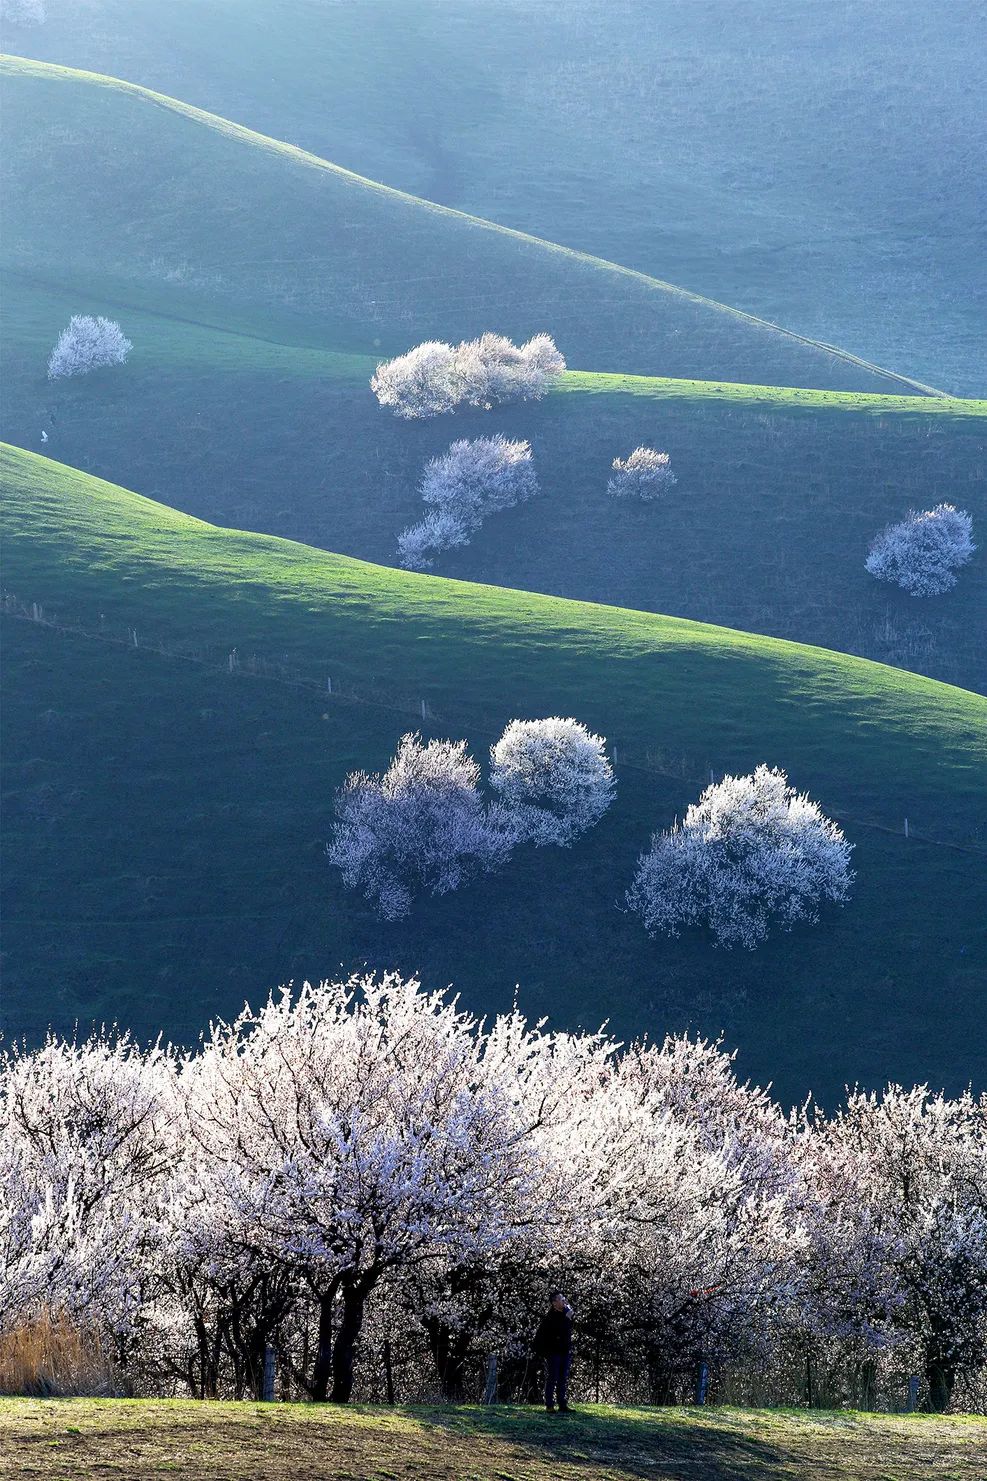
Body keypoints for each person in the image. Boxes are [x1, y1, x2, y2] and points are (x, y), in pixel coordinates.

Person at [534, 1290, 573, 1413]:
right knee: (552, 1377)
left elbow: (567, 1330)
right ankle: (549, 1404)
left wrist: (568, 1316)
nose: (564, 1301)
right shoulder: (550, 1317)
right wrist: (567, 1318)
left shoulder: (565, 1313)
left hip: (564, 1351)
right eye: (561, 1299)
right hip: (554, 1352)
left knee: (563, 1378)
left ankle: (562, 1403)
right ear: (554, 1303)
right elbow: (557, 1332)